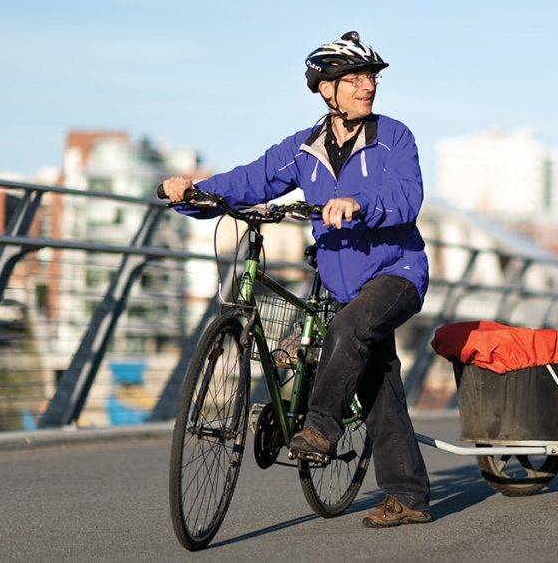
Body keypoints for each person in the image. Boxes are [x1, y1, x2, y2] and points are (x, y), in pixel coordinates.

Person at [161, 31, 432, 528]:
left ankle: (319, 427)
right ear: (325, 89)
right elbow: (250, 181)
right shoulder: (303, 149)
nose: (366, 86)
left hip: (397, 274)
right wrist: (191, 191)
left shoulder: (393, 137)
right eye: (353, 78)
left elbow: (407, 196)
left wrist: (360, 204)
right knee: (377, 381)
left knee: (348, 330)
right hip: (341, 283)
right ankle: (409, 495)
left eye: (370, 76)